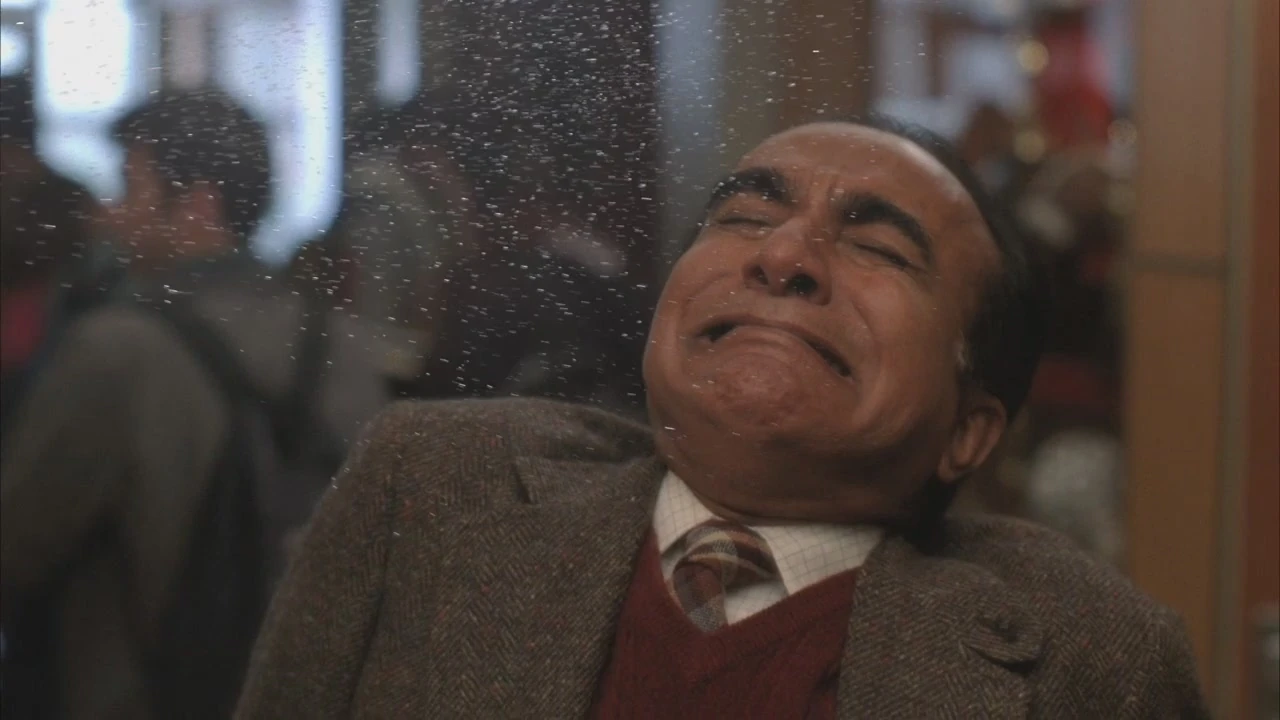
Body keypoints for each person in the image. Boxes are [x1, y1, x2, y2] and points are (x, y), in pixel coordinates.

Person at [234, 117, 1209, 718]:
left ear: (968, 431)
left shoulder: (1090, 659)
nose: (782, 256)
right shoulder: (432, 488)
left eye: (878, 249)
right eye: (744, 218)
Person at [0, 90, 389, 720]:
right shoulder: (334, 339)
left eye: (132, 187)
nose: (113, 215)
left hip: (137, 690)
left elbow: (18, 539)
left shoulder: (117, 348)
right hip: (295, 685)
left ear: (200, 204)